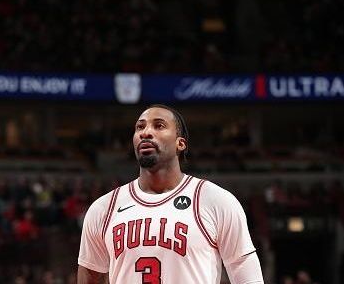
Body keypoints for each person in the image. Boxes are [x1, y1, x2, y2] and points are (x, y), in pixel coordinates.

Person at [77, 104, 264, 284]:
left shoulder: (215, 201)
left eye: (159, 126)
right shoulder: (104, 208)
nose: (146, 132)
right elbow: (90, 277)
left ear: (180, 143)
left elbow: (246, 274)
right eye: (140, 127)